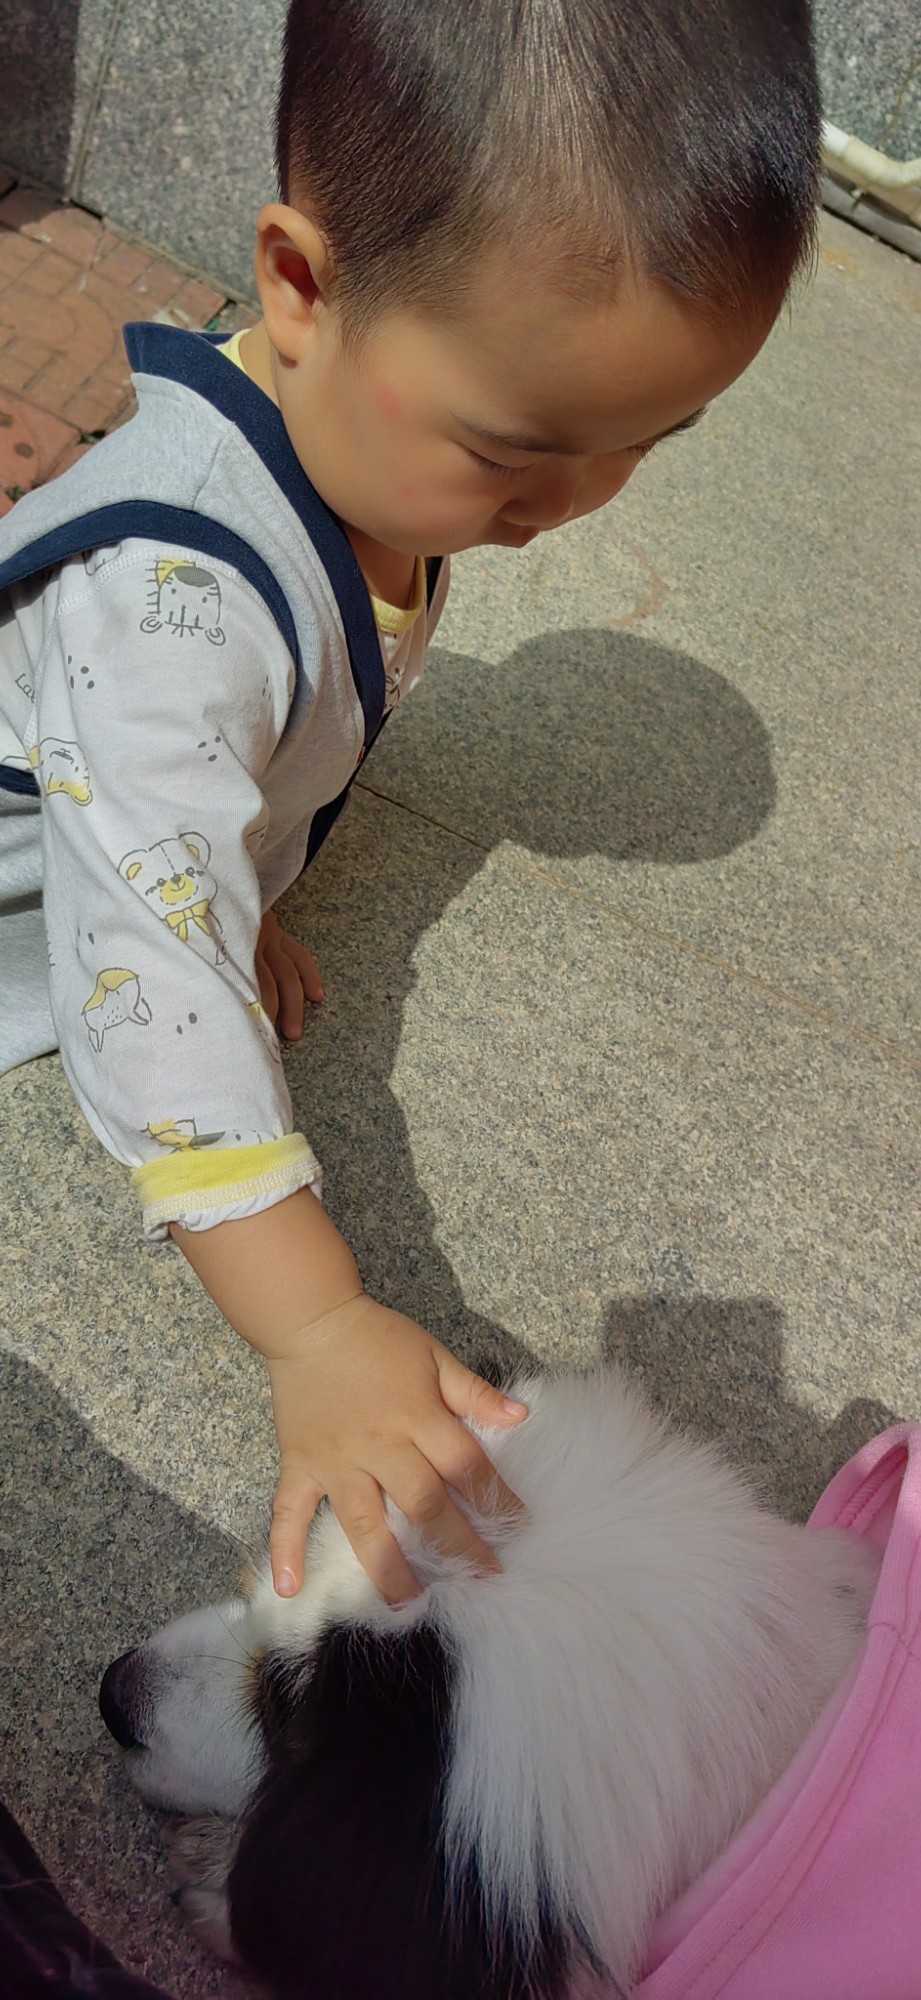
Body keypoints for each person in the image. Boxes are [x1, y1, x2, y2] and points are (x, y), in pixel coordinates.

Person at [0, 0, 820, 1604]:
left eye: (643, 445)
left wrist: (238, 870)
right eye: (514, 453)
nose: (565, 508)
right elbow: (147, 967)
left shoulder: (377, 465)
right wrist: (315, 1324)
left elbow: (232, 756)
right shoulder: (170, 608)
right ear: (299, 287)